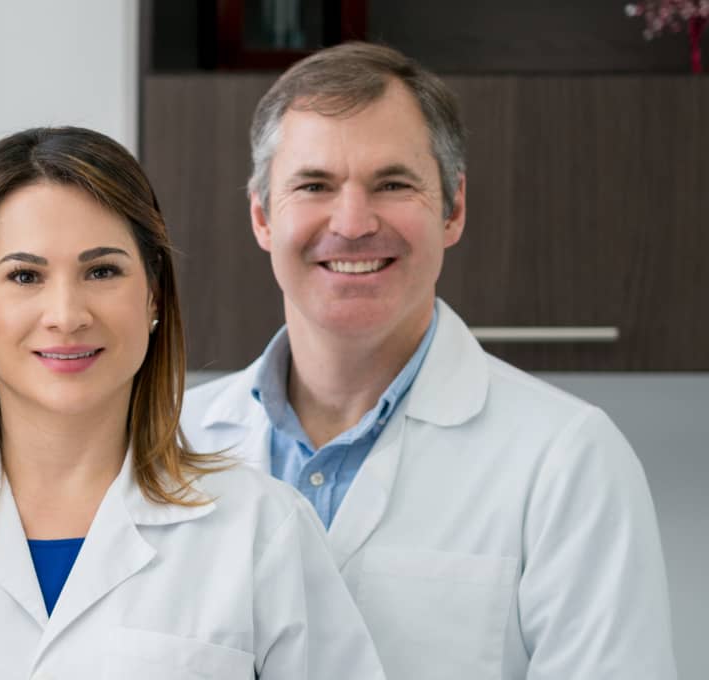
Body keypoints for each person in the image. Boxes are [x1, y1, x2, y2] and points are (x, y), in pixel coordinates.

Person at [182, 42, 676, 679]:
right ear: (262, 217)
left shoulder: (569, 460)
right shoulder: (171, 444)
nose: (354, 223)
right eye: (314, 185)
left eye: (392, 184)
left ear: (454, 209)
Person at [0, 126, 384, 679]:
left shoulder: (259, 528)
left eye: (102, 271)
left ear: (154, 294)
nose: (66, 314)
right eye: (24, 275)